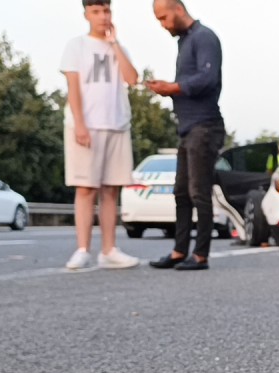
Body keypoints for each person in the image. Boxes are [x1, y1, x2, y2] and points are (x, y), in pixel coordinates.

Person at [60, 0, 141, 270]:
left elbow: (132, 79)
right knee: (86, 189)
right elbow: (73, 88)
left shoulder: (119, 48)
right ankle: (82, 248)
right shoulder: (76, 46)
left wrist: (115, 44)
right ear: (86, 14)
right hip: (86, 125)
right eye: (96, 12)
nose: (102, 16)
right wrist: (80, 125)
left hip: (116, 124)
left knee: (111, 190)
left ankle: (109, 249)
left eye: (106, 11)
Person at [146, 0, 225, 272]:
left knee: (198, 192)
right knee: (181, 192)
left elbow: (208, 78)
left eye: (163, 17)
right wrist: (170, 88)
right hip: (188, 128)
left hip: (205, 126)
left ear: (178, 9)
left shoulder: (204, 37)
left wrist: (173, 87)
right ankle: (180, 250)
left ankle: (200, 255)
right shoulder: (185, 42)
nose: (162, 24)